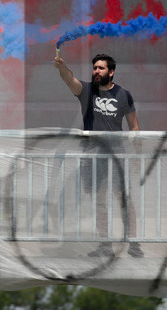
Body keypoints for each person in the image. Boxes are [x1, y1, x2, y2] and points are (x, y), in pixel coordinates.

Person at [54, 53, 143, 258]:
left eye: (101, 68)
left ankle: (134, 243)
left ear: (111, 72)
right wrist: (62, 68)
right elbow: (70, 80)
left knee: (123, 199)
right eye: (94, 68)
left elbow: (134, 127)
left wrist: (137, 157)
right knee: (100, 201)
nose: (96, 71)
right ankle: (105, 245)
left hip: (117, 155)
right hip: (92, 156)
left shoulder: (123, 95)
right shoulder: (86, 91)